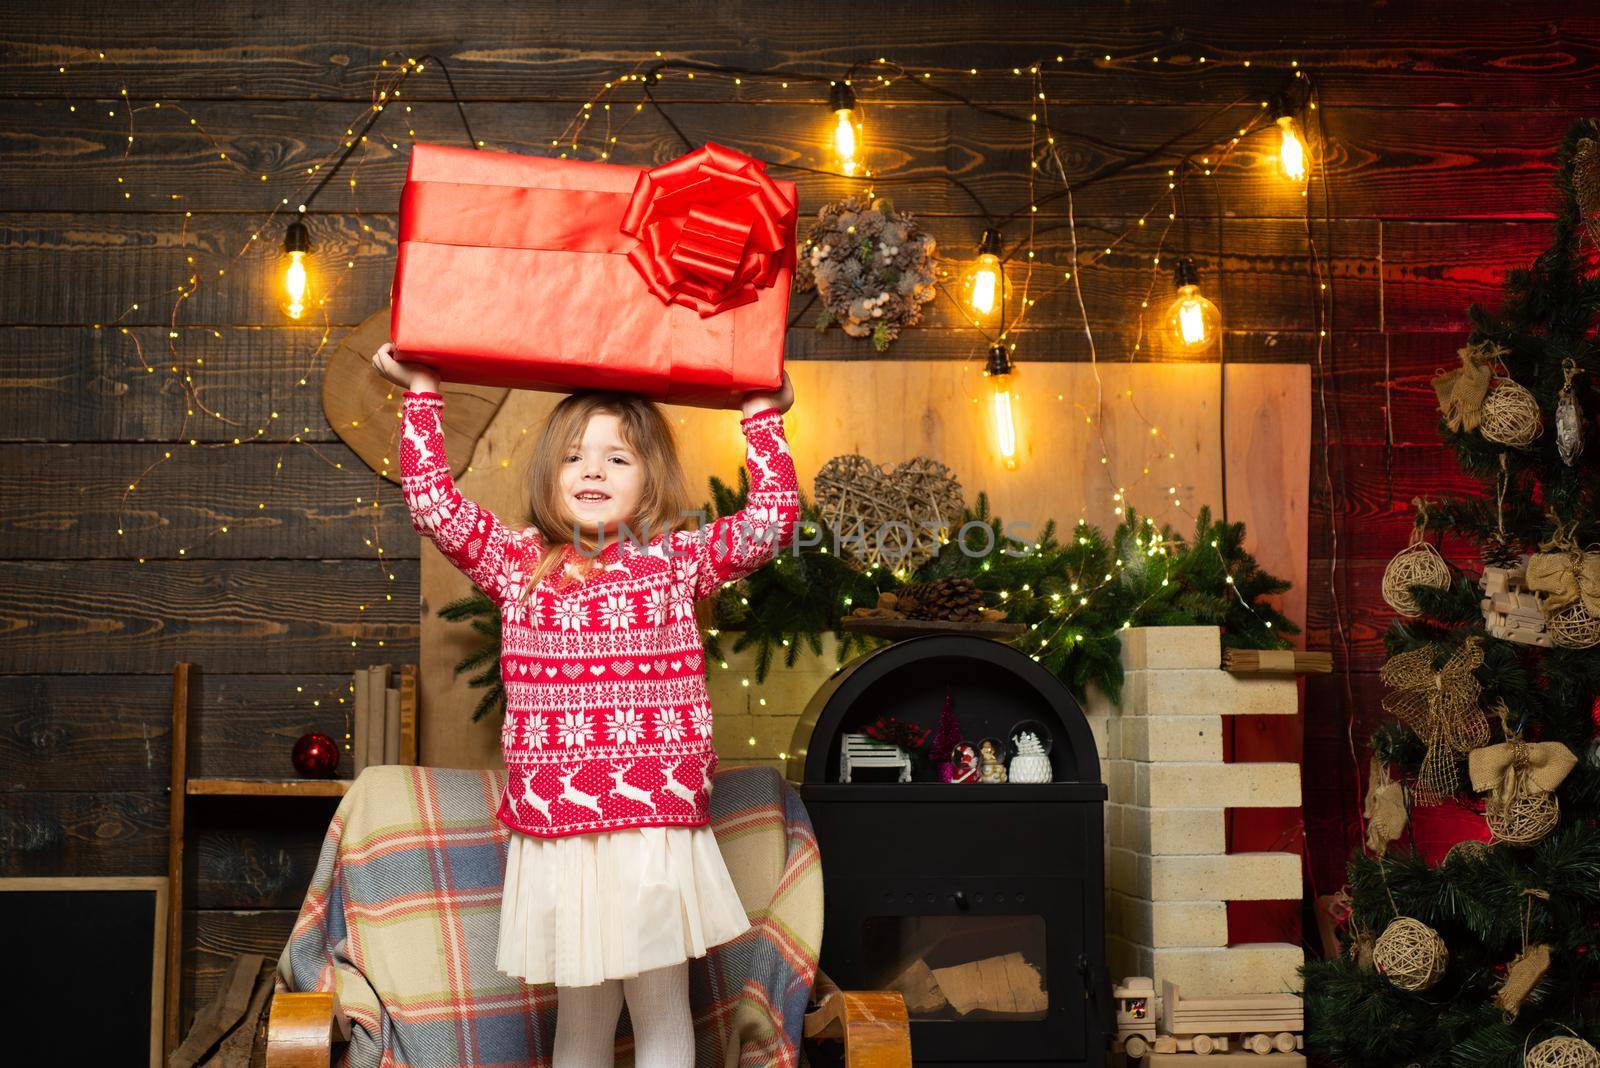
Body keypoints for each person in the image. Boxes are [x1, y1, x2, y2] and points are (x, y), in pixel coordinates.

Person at [372, 342, 799, 1068]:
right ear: (549, 474)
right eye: (574, 456)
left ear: (650, 480)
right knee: (582, 1017)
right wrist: (422, 389)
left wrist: (761, 414)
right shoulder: (516, 563)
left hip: (654, 823)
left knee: (662, 1007)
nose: (593, 469)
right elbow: (431, 503)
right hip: (560, 826)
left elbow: (771, 520)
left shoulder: (674, 561)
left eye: (618, 458)